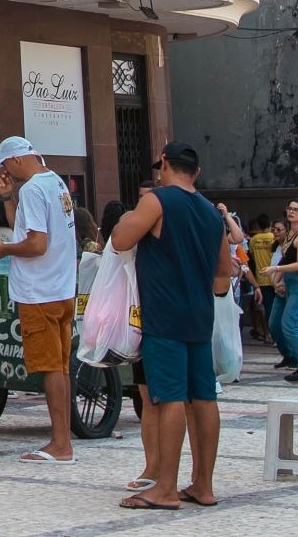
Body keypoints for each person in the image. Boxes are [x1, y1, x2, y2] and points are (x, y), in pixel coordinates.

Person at [109, 142, 230, 511]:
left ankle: (164, 487)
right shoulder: (211, 212)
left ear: (164, 163)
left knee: (169, 398)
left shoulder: (157, 200)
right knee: (204, 397)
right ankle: (203, 485)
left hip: (164, 314)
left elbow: (120, 240)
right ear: (196, 172)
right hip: (200, 315)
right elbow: (223, 272)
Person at [0, 137, 80, 464]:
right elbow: (23, 228)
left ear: (16, 160)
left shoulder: (35, 190)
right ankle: (63, 440)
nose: (4, 172)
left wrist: (3, 250)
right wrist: (8, 197)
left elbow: (35, 244)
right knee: (60, 368)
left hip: (40, 291)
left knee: (50, 367)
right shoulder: (56, 183)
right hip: (61, 288)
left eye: (5, 165)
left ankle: (61, 444)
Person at [260, 199, 298, 383]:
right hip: (293, 283)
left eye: (296, 210)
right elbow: (287, 259)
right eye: (289, 208)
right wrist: (277, 280)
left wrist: (276, 270)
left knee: (288, 323)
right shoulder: (290, 234)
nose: (291, 212)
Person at [247, 217, 278, 345]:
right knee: (276, 308)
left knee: (266, 308)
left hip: (261, 278)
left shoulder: (254, 240)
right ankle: (276, 335)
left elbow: (251, 256)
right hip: (276, 277)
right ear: (270, 224)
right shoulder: (274, 237)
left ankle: (268, 334)